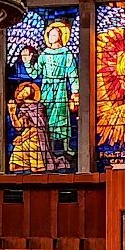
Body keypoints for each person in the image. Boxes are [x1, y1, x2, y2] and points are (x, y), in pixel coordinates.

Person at [37, 22, 79, 158]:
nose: (51, 37)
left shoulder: (67, 54)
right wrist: (27, 62)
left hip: (61, 88)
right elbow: (35, 73)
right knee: (47, 117)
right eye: (49, 35)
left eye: (54, 34)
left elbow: (72, 73)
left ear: (60, 36)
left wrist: (75, 91)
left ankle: (66, 147)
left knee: (62, 117)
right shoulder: (44, 54)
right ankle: (49, 147)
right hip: (46, 89)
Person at [6, 81, 56, 173]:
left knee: (36, 169)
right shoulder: (23, 108)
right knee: (13, 167)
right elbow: (18, 126)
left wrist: (22, 138)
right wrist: (12, 113)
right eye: (22, 91)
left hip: (35, 139)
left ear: (29, 96)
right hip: (24, 138)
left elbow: (38, 128)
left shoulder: (38, 107)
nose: (21, 93)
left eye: (25, 92)